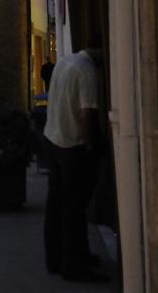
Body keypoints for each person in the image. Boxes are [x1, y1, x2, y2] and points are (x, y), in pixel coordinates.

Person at [43, 43, 108, 282]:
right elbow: (86, 114)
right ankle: (73, 264)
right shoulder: (87, 71)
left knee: (56, 204)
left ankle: (55, 258)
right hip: (71, 145)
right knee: (74, 207)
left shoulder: (64, 62)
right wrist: (90, 143)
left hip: (52, 138)